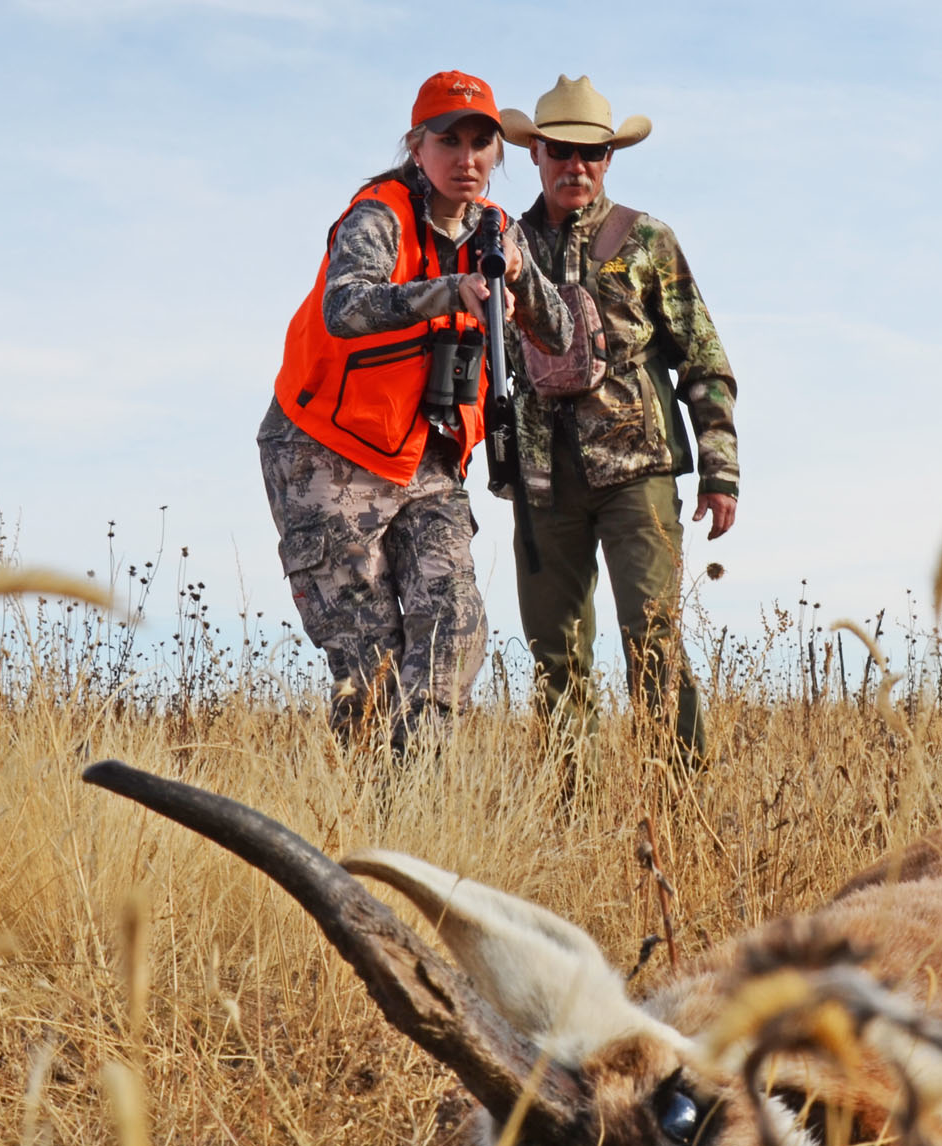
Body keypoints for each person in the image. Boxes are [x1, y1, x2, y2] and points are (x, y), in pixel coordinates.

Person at [260, 70, 571, 751]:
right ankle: (372, 802)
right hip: (325, 451)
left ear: (498, 153)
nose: (467, 158)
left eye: (481, 143)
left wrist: (517, 276)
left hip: (426, 456)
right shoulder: (380, 215)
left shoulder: (498, 232)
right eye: (448, 141)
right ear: (417, 147)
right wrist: (450, 291)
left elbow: (561, 334)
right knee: (368, 656)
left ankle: (418, 788)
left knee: (454, 624)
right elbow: (345, 307)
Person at [498, 76, 739, 771]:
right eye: (560, 151)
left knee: (653, 640)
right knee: (554, 655)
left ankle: (679, 805)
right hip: (542, 483)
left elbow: (704, 359)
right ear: (536, 153)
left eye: (591, 154)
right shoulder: (501, 245)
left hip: (639, 474)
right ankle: (572, 812)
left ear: (608, 160)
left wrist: (720, 470)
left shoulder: (647, 239)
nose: (575, 166)